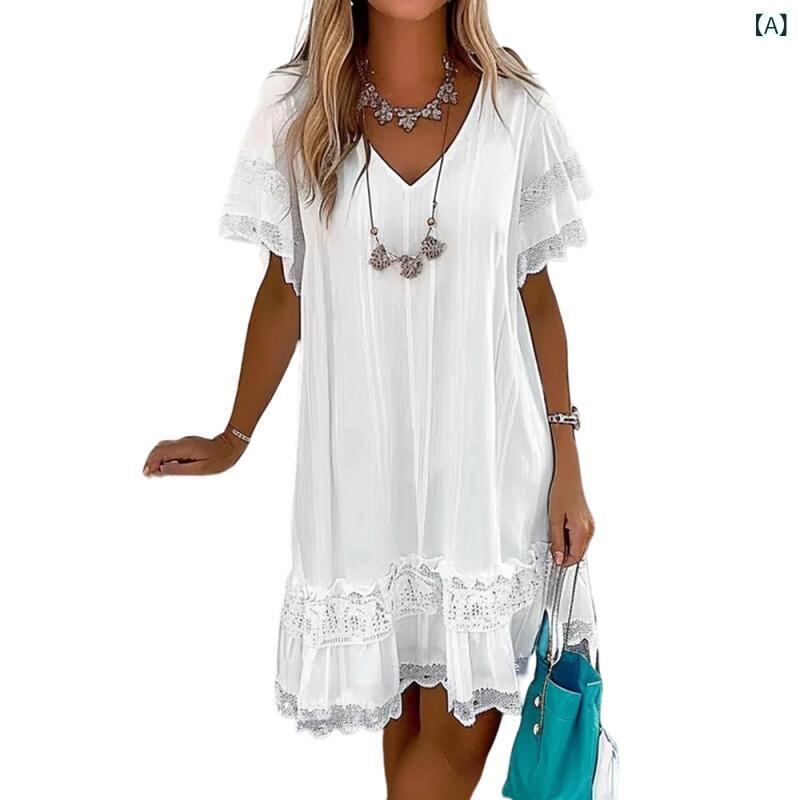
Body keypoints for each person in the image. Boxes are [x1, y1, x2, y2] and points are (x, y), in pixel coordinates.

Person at [143, 1, 597, 797]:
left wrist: (569, 465)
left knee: (445, 754)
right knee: (409, 732)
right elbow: (285, 289)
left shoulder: (515, 112)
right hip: (365, 496)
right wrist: (232, 436)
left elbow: (537, 296)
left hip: (488, 489)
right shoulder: (296, 109)